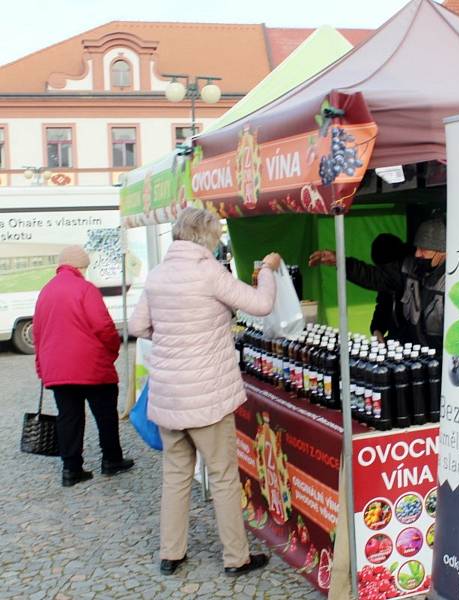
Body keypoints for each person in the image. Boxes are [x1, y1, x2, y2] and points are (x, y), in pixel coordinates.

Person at [129, 208, 280, 577]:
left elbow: (137, 325)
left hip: (168, 396)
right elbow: (261, 304)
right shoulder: (208, 270)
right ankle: (236, 557)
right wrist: (268, 272)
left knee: (176, 475)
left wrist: (169, 341)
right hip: (207, 397)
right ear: (206, 237)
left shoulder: (159, 274)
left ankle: (171, 554)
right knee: (224, 476)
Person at [33, 245, 134, 487]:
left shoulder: (45, 292)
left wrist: (41, 367)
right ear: (80, 267)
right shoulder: (85, 289)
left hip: (58, 369)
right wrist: (112, 350)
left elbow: (38, 334)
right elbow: (103, 327)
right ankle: (111, 460)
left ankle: (71, 469)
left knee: (68, 417)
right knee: (105, 414)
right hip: (91, 366)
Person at [310, 218, 446, 351]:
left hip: (440, 360)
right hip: (409, 352)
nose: (417, 254)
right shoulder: (410, 269)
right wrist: (340, 261)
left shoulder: (453, 280)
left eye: (424, 250)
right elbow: (373, 278)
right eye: (417, 248)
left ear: (442, 251)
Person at [368, 233, 415, 344]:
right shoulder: (388, 278)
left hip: (413, 345)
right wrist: (377, 329)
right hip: (395, 340)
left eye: (386, 268)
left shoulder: (414, 278)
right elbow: (383, 306)